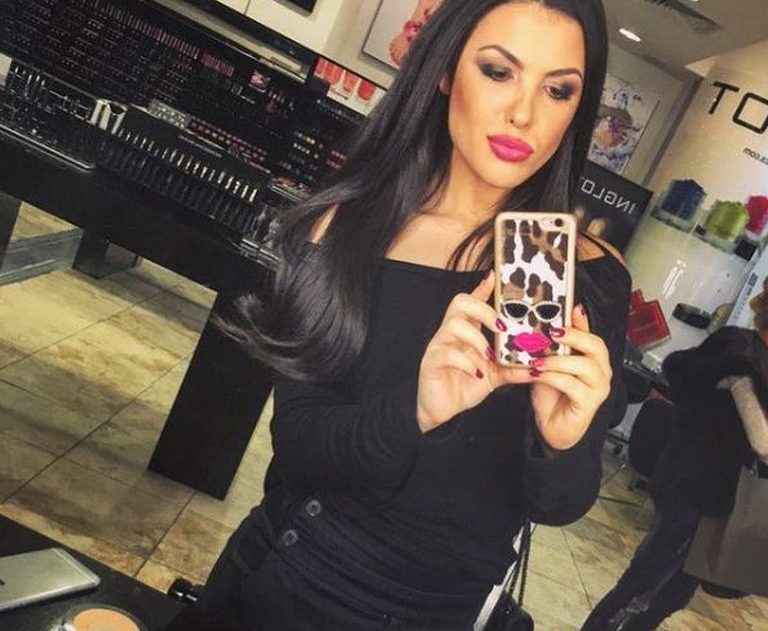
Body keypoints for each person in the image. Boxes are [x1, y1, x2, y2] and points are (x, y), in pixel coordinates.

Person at [200, 1, 629, 629]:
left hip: (435, 613)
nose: (524, 114)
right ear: (446, 71)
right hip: (283, 576)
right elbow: (299, 447)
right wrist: (418, 409)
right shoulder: (346, 228)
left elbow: (558, 505)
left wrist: (561, 442)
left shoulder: (588, 277)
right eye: (498, 72)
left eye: (557, 90)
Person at [580, 281, 768, 631]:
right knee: (643, 584)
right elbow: (761, 441)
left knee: (671, 596)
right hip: (695, 485)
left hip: (725, 497)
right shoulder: (739, 350)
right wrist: (739, 383)